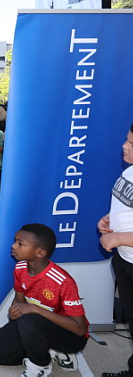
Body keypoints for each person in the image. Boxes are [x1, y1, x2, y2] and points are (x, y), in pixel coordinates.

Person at [0, 223, 88, 376]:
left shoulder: (63, 282)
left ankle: (41, 367)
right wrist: (15, 312)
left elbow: (79, 329)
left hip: (70, 336)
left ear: (40, 253)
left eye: (20, 244)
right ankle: (48, 351)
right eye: (15, 241)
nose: (13, 246)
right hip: (35, 325)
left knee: (28, 320)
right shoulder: (20, 268)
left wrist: (36, 310)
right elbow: (19, 302)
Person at [98, 124, 133, 377]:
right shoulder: (129, 171)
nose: (124, 146)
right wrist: (110, 219)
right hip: (125, 260)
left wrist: (119, 236)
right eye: (127, 140)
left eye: (132, 144)